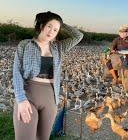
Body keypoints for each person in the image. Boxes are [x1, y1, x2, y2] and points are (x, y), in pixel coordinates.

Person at [12, 11, 83, 140]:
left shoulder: (59, 47)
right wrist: (21, 100)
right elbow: (16, 73)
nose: (51, 31)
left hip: (51, 98)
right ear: (41, 25)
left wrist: (60, 23)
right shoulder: (25, 45)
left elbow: (78, 36)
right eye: (49, 26)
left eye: (56, 30)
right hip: (28, 96)